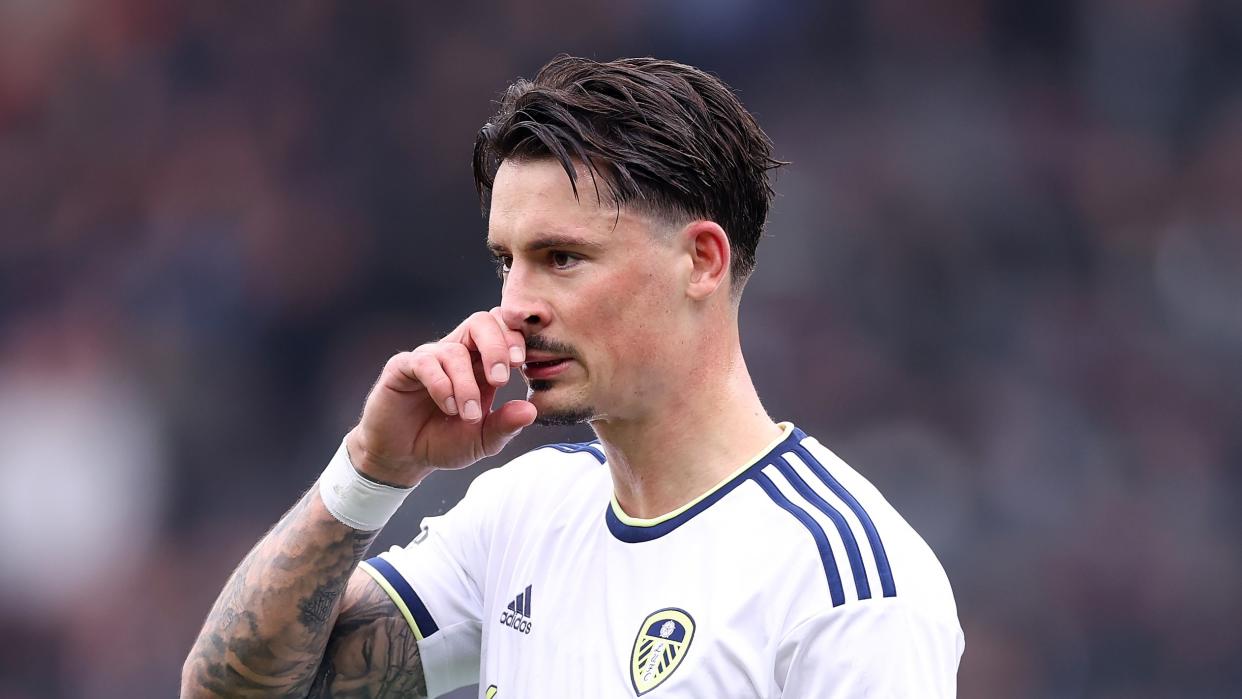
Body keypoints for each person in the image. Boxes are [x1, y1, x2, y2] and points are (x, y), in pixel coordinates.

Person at [181, 55, 964, 698]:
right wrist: (371, 470)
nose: (515, 305)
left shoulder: (846, 583)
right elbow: (233, 689)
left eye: (562, 258)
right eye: (505, 262)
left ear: (701, 261)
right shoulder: (523, 513)